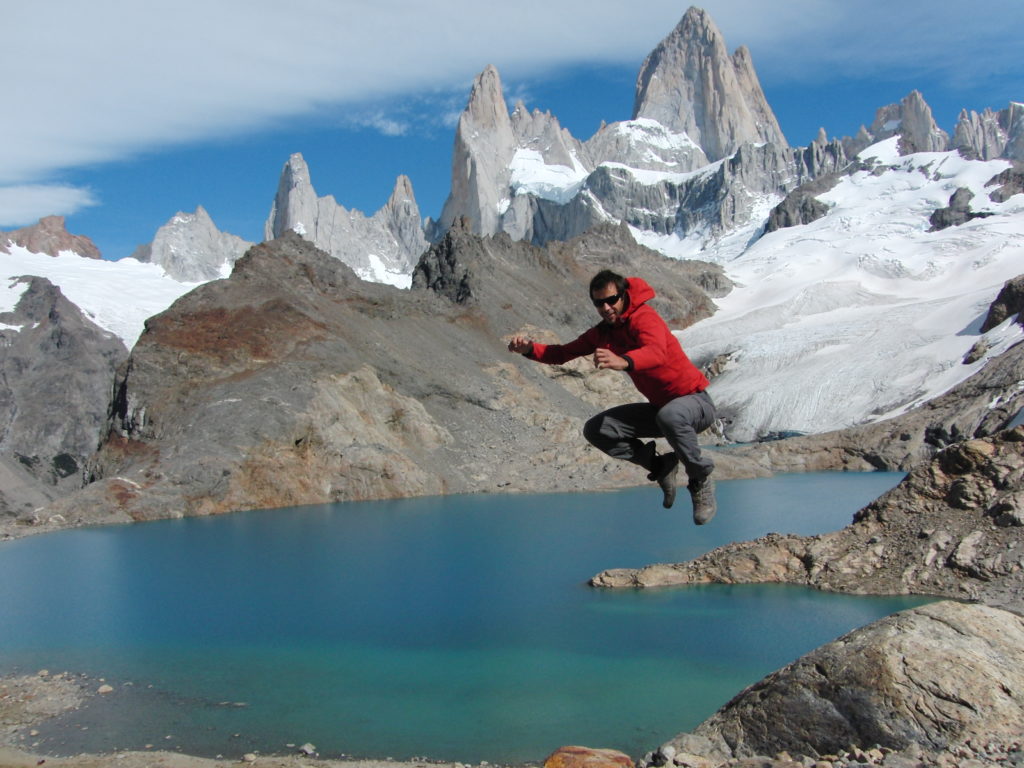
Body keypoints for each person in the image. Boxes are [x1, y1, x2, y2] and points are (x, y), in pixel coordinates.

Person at [507, 269, 717, 524]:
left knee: (670, 415)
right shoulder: (603, 333)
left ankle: (700, 479)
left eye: (611, 300)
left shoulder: (644, 318)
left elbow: (656, 353)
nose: (605, 308)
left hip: (695, 403)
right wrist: (530, 349)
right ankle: (661, 466)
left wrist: (624, 361)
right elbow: (563, 353)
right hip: (662, 411)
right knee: (597, 429)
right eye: (598, 303)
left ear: (624, 295)